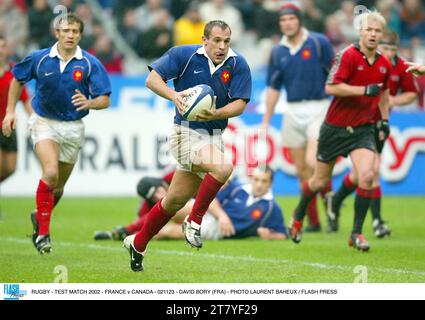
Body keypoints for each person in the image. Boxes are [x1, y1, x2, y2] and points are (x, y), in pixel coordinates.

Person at [123, 20, 252, 272]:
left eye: (226, 41)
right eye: (216, 40)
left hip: (213, 135)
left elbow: (240, 104)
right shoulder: (184, 54)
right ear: (204, 40)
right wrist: (174, 96)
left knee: (173, 202)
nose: (222, 46)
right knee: (224, 168)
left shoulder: (238, 63)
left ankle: (137, 244)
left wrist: (216, 114)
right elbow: (152, 80)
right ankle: (194, 221)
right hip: (185, 133)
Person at [2, 13, 112, 254]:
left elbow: (104, 99)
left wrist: (90, 103)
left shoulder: (90, 63)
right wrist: (10, 112)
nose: (70, 35)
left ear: (80, 35)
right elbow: (16, 80)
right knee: (49, 173)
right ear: (57, 33)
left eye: (75, 31)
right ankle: (43, 234)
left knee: (58, 187)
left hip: (73, 128)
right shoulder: (40, 58)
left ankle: (37, 215)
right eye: (66, 31)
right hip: (44, 122)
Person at [288, 11, 392, 252]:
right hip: (335, 128)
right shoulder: (346, 55)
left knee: (367, 175)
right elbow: (331, 87)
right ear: (360, 32)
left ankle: (356, 233)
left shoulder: (384, 63)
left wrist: (384, 120)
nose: (374, 34)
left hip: (363, 130)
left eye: (378, 31)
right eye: (369, 30)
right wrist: (363, 91)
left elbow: (384, 92)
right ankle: (299, 213)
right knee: (319, 181)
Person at [328, 29, 419, 237]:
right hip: (357, 123)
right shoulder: (362, 61)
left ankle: (337, 199)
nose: (388, 53)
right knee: (372, 171)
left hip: (380, 121)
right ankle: (377, 221)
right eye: (385, 48)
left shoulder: (400, 66)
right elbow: (339, 87)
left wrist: (392, 101)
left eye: (393, 49)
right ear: (377, 45)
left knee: (363, 174)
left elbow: (412, 94)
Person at [261, 3, 334, 232]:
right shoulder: (278, 51)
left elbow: (335, 75)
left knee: (314, 163)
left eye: (291, 19)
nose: (287, 23)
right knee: (301, 169)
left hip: (319, 107)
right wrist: (266, 120)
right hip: (292, 110)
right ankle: (314, 221)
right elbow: (273, 88)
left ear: (299, 20)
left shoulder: (318, 42)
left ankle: (330, 207)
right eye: (283, 20)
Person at [95, 168, 287, 241]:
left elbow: (282, 234)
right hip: (212, 214)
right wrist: (221, 215)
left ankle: (130, 237)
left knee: (168, 232)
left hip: (216, 230)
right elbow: (211, 198)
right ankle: (124, 230)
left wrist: (268, 236)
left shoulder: (271, 208)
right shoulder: (239, 188)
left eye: (264, 181)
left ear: (270, 184)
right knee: (174, 207)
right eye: (257, 179)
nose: (259, 184)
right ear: (252, 179)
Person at [0, 36, 32, 185]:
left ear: (7, 49)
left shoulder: (14, 72)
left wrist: (33, 119)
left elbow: (25, 99)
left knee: (10, 169)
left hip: (9, 126)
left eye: (3, 46)